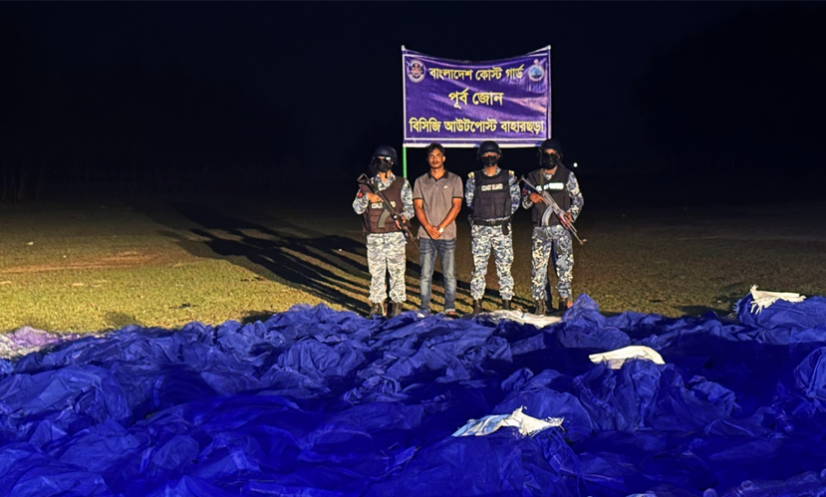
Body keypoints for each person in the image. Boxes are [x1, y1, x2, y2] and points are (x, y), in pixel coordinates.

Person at [521, 138, 584, 314]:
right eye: (546, 154)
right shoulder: (532, 177)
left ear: (559, 156)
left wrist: (571, 214)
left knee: (564, 268)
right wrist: (530, 198)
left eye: (553, 154)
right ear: (541, 156)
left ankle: (564, 301)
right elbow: (523, 204)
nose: (549, 157)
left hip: (561, 229)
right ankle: (541, 303)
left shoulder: (567, 175)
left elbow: (578, 198)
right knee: (538, 269)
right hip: (540, 230)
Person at [353, 145, 414, 318]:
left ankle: (396, 304)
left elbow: (410, 208)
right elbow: (357, 208)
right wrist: (367, 197)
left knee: (397, 272)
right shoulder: (367, 185)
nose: (382, 163)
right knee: (376, 272)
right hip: (375, 236)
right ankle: (377, 304)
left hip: (395, 235)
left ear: (392, 162)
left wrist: (403, 217)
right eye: (379, 160)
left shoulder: (402, 184)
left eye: (386, 160)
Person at [465, 140, 521, 316]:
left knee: (504, 268)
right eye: (486, 154)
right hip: (481, 229)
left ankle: (506, 303)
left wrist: (502, 215)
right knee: (479, 268)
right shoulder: (473, 179)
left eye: (492, 154)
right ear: (481, 156)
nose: (489, 157)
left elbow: (515, 201)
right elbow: (470, 201)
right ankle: (477, 303)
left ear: (498, 155)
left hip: (501, 229)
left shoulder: (508, 177)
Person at [412, 143, 463, 317]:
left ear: (444, 158)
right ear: (428, 159)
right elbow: (418, 207)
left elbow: (457, 206)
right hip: (426, 235)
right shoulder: (420, 181)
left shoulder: (455, 179)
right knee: (425, 274)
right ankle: (425, 308)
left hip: (447, 234)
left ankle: (449, 308)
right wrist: (428, 227)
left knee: (449, 274)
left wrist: (441, 227)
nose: (435, 159)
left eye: (438, 155)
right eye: (431, 156)